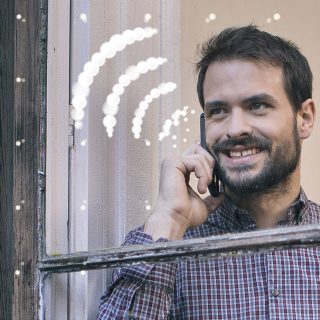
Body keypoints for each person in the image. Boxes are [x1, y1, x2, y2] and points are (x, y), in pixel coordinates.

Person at [98, 25, 320, 319]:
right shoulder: (161, 247)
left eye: (257, 105)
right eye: (219, 111)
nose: (235, 128)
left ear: (304, 118)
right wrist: (170, 219)